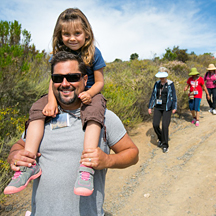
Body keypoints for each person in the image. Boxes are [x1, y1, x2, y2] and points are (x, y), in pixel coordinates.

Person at [6, 51, 139, 216]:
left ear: (84, 80)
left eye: (72, 77)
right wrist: (14, 155)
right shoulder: (41, 117)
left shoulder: (104, 118)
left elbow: (132, 153)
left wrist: (108, 160)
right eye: (57, 78)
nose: (64, 83)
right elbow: (20, 145)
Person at [4, 8, 106, 196]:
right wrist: (51, 102)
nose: (72, 38)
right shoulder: (59, 53)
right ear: (59, 35)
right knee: (37, 109)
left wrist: (89, 93)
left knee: (94, 111)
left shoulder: (94, 52)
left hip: (87, 93)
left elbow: (99, 81)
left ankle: (86, 167)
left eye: (77, 33)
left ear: (87, 34)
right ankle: (29, 163)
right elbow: (54, 80)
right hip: (62, 92)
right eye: (66, 34)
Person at [148, 67, 177, 153]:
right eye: (160, 77)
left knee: (165, 126)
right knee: (155, 124)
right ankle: (161, 138)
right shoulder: (157, 84)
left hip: (167, 107)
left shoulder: (170, 84)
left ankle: (165, 145)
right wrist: (150, 107)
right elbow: (153, 95)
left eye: (163, 77)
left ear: (166, 76)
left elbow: (174, 96)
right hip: (158, 106)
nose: (161, 78)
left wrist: (174, 107)